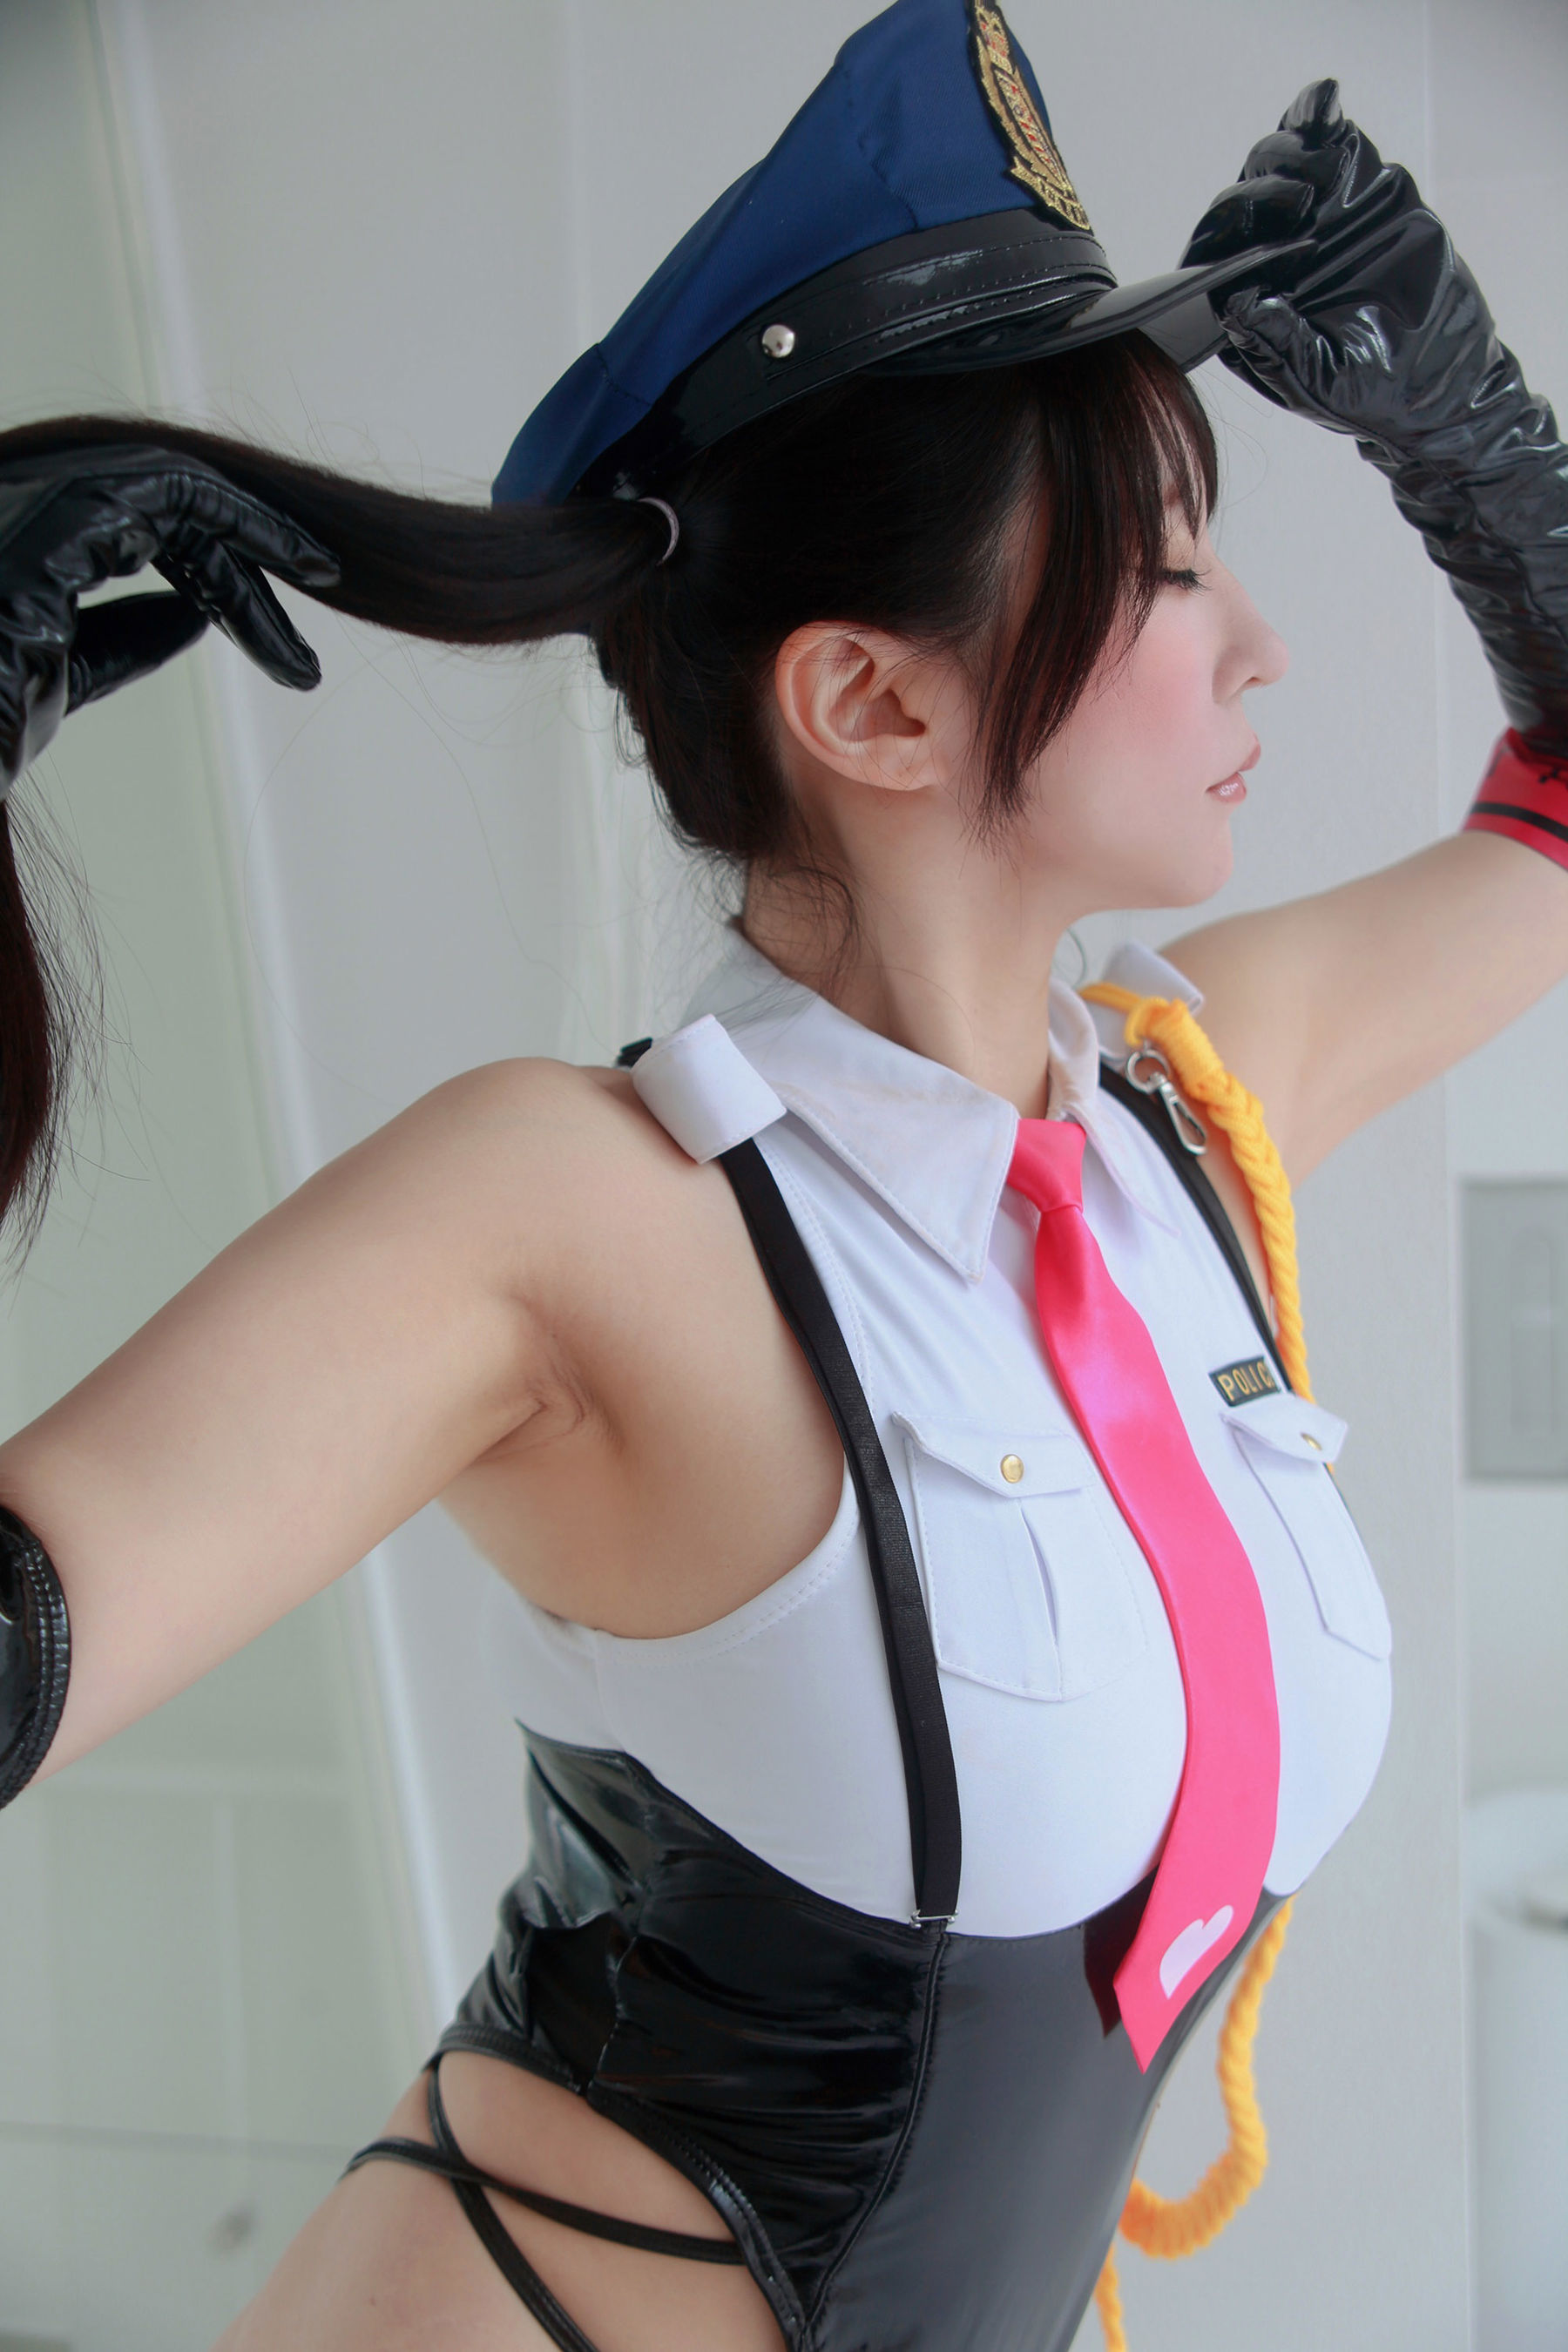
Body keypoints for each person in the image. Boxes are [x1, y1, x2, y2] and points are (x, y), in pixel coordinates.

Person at [1, 3, 1565, 2348]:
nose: (1258, 646)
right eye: (1167, 570)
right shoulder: (581, 1212)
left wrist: (1480, 442)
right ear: (874, 704)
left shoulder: (1184, 1112)